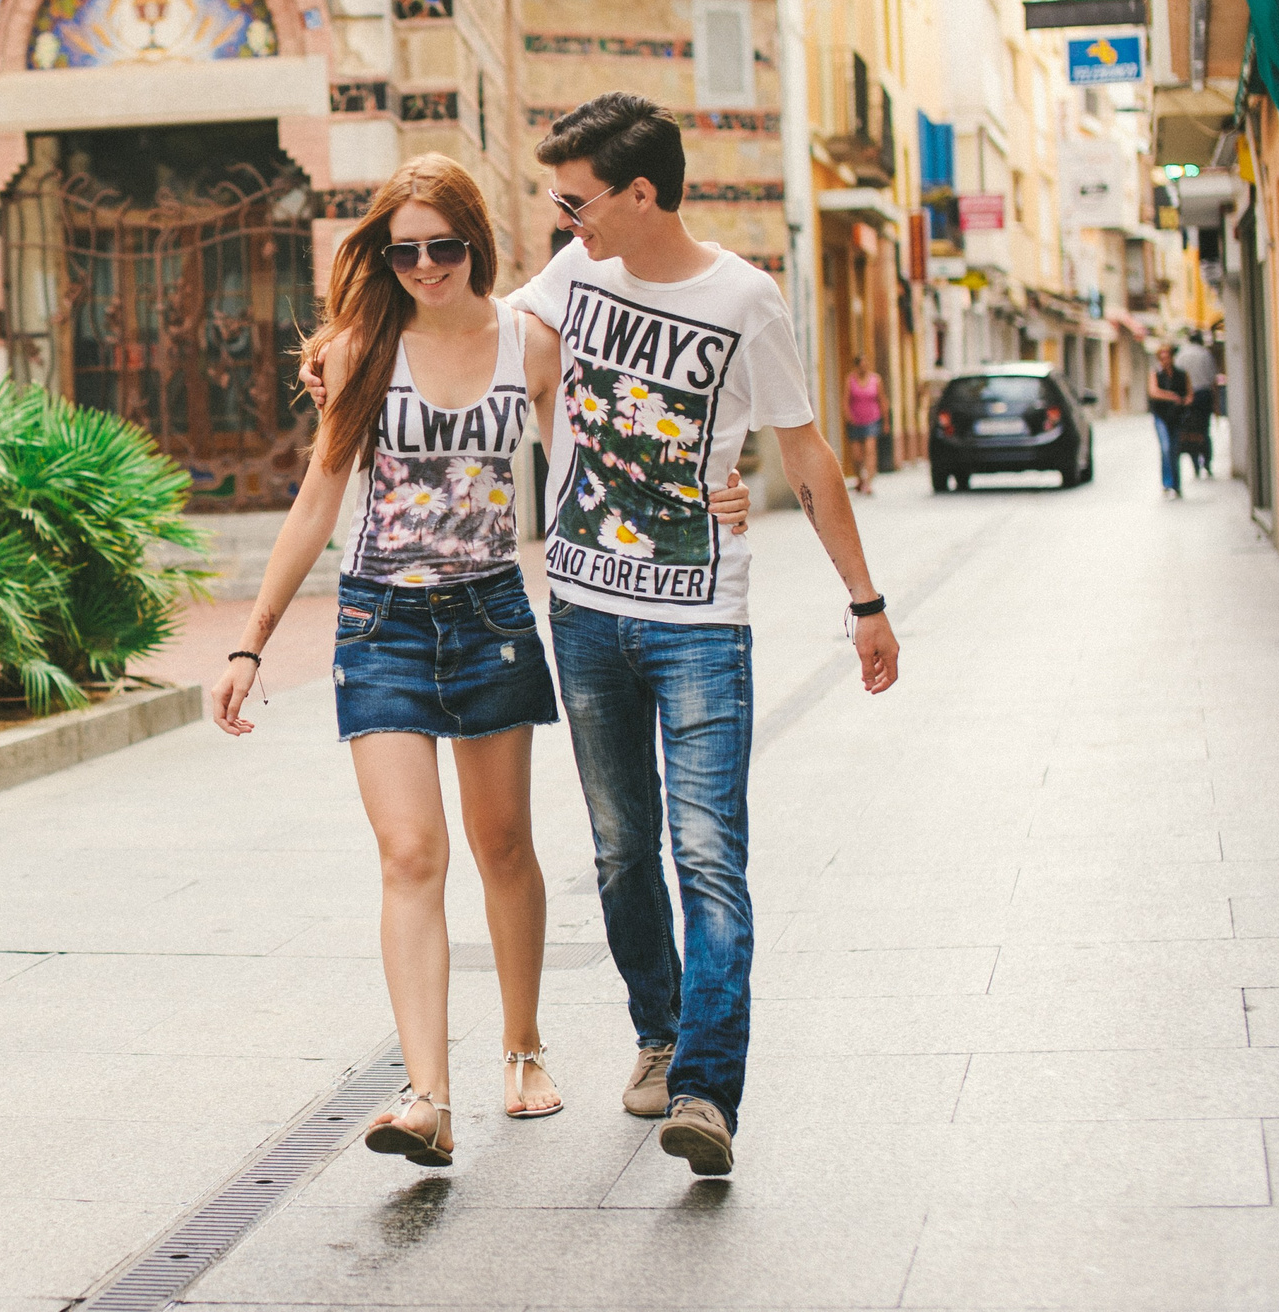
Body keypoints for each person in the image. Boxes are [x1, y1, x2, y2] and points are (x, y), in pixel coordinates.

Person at [211, 153, 750, 1169]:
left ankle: (522, 1043)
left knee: (502, 847)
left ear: (475, 244)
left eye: (442, 246)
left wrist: (713, 493)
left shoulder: (527, 343)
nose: (423, 265)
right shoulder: (361, 350)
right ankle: (426, 1097)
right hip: (379, 623)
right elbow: (318, 499)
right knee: (411, 853)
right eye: (402, 249)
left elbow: (601, 464)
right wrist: (250, 640)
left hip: (494, 614)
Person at [512, 92, 896, 1180]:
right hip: (583, 610)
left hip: (698, 622)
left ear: (641, 193)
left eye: (578, 199)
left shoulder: (744, 297)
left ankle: (706, 1091)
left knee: (708, 858)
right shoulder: (568, 274)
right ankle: (657, 1028)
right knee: (622, 853)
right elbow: (477, 341)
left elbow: (807, 453)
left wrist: (862, 603)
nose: (564, 216)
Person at [1174, 329, 1218, 479]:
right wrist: (1216, 403)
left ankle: (1195, 465)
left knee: (1190, 430)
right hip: (1203, 395)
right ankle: (1207, 463)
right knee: (1204, 430)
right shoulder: (1205, 354)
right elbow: (1213, 379)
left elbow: (1177, 376)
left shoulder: (1181, 354)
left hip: (1187, 396)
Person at [1149, 342, 1190, 499]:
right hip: (1161, 416)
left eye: (1167, 357)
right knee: (1165, 447)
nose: (1164, 360)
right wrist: (1172, 396)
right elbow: (1153, 392)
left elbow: (1189, 393)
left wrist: (1185, 401)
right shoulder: (1155, 373)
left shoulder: (1182, 374)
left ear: (1172, 357)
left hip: (1177, 416)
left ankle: (1177, 485)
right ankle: (1167, 484)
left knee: (1175, 449)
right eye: (1162, 357)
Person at [841, 356, 886, 497]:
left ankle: (868, 484)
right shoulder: (850, 380)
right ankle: (860, 480)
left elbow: (882, 399)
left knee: (870, 451)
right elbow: (845, 400)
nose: (863, 368)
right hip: (855, 422)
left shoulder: (876, 380)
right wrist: (848, 417)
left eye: (866, 365)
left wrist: (885, 422)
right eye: (861, 366)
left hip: (872, 420)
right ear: (856, 367)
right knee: (856, 456)